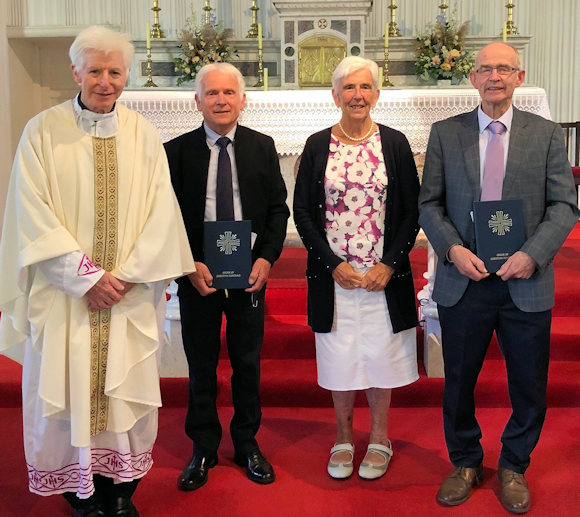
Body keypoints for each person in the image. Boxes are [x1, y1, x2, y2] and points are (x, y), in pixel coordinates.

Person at [0, 26, 195, 517]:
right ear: (76, 72)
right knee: (67, 389)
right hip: (67, 296)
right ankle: (79, 494)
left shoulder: (143, 134)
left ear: (126, 74)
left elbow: (161, 212)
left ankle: (118, 490)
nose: (104, 81)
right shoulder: (41, 132)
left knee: (123, 391)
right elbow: (31, 213)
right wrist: (86, 276)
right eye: (95, 71)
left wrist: (125, 275)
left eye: (114, 72)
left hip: (126, 294)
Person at [418, 42, 578, 514]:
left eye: (503, 69)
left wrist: (533, 255)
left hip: (524, 280)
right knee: (459, 382)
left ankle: (513, 464)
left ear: (519, 76)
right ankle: (465, 461)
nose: (494, 77)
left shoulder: (546, 135)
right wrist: (452, 249)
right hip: (465, 278)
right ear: (472, 78)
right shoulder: (446, 134)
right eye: (485, 69)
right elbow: (429, 203)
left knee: (528, 382)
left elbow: (564, 205)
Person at [293, 56, 420, 481]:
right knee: (340, 359)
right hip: (337, 279)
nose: (357, 95)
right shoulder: (316, 145)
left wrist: (389, 264)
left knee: (381, 358)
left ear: (376, 94)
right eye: (349, 88)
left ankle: (380, 438)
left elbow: (410, 211)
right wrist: (332, 266)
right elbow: (303, 213)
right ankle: (343, 437)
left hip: (383, 278)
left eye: (365, 87)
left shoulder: (396, 144)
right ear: (335, 95)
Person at [164, 62, 289, 491]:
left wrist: (267, 259)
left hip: (248, 273)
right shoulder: (176, 151)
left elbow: (277, 210)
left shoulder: (262, 146)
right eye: (212, 94)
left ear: (242, 100)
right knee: (201, 364)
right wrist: (187, 263)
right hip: (197, 274)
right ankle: (203, 447)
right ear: (196, 101)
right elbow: (166, 217)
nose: (220, 100)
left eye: (228, 93)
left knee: (246, 363)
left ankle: (247, 442)